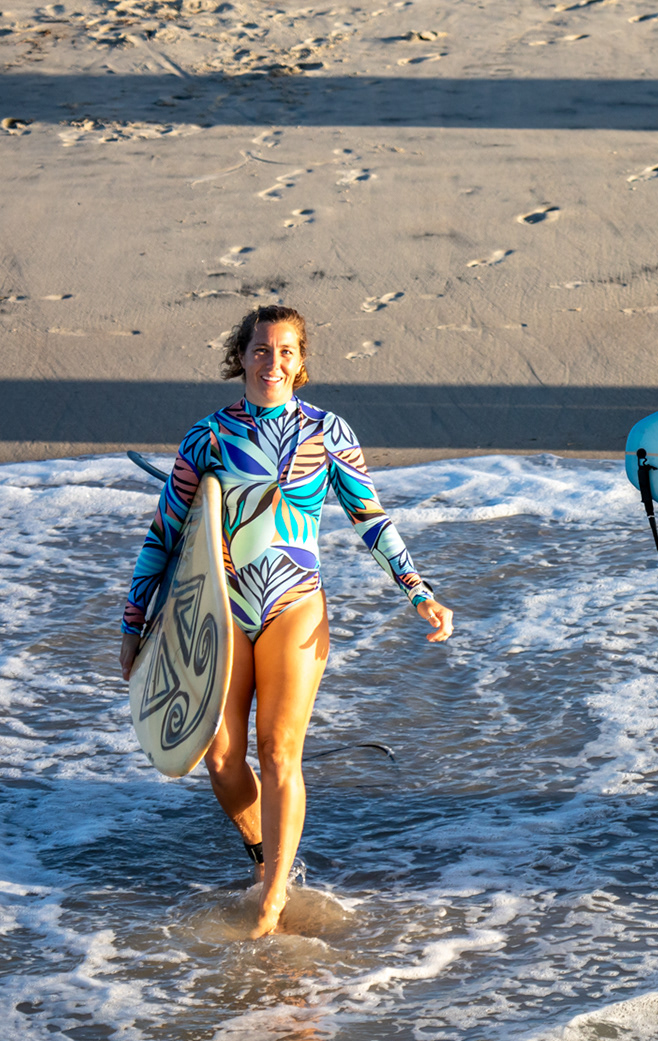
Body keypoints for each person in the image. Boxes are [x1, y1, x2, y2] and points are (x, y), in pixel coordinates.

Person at [119, 304, 452, 938]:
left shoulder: (327, 432)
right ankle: (263, 855)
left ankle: (273, 894)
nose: (273, 362)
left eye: (286, 351)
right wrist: (134, 624)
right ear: (241, 358)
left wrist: (418, 592)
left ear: (301, 362)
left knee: (277, 749)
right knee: (220, 756)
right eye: (262, 350)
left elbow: (369, 518)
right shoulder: (207, 436)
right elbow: (165, 533)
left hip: (293, 604)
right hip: (221, 606)